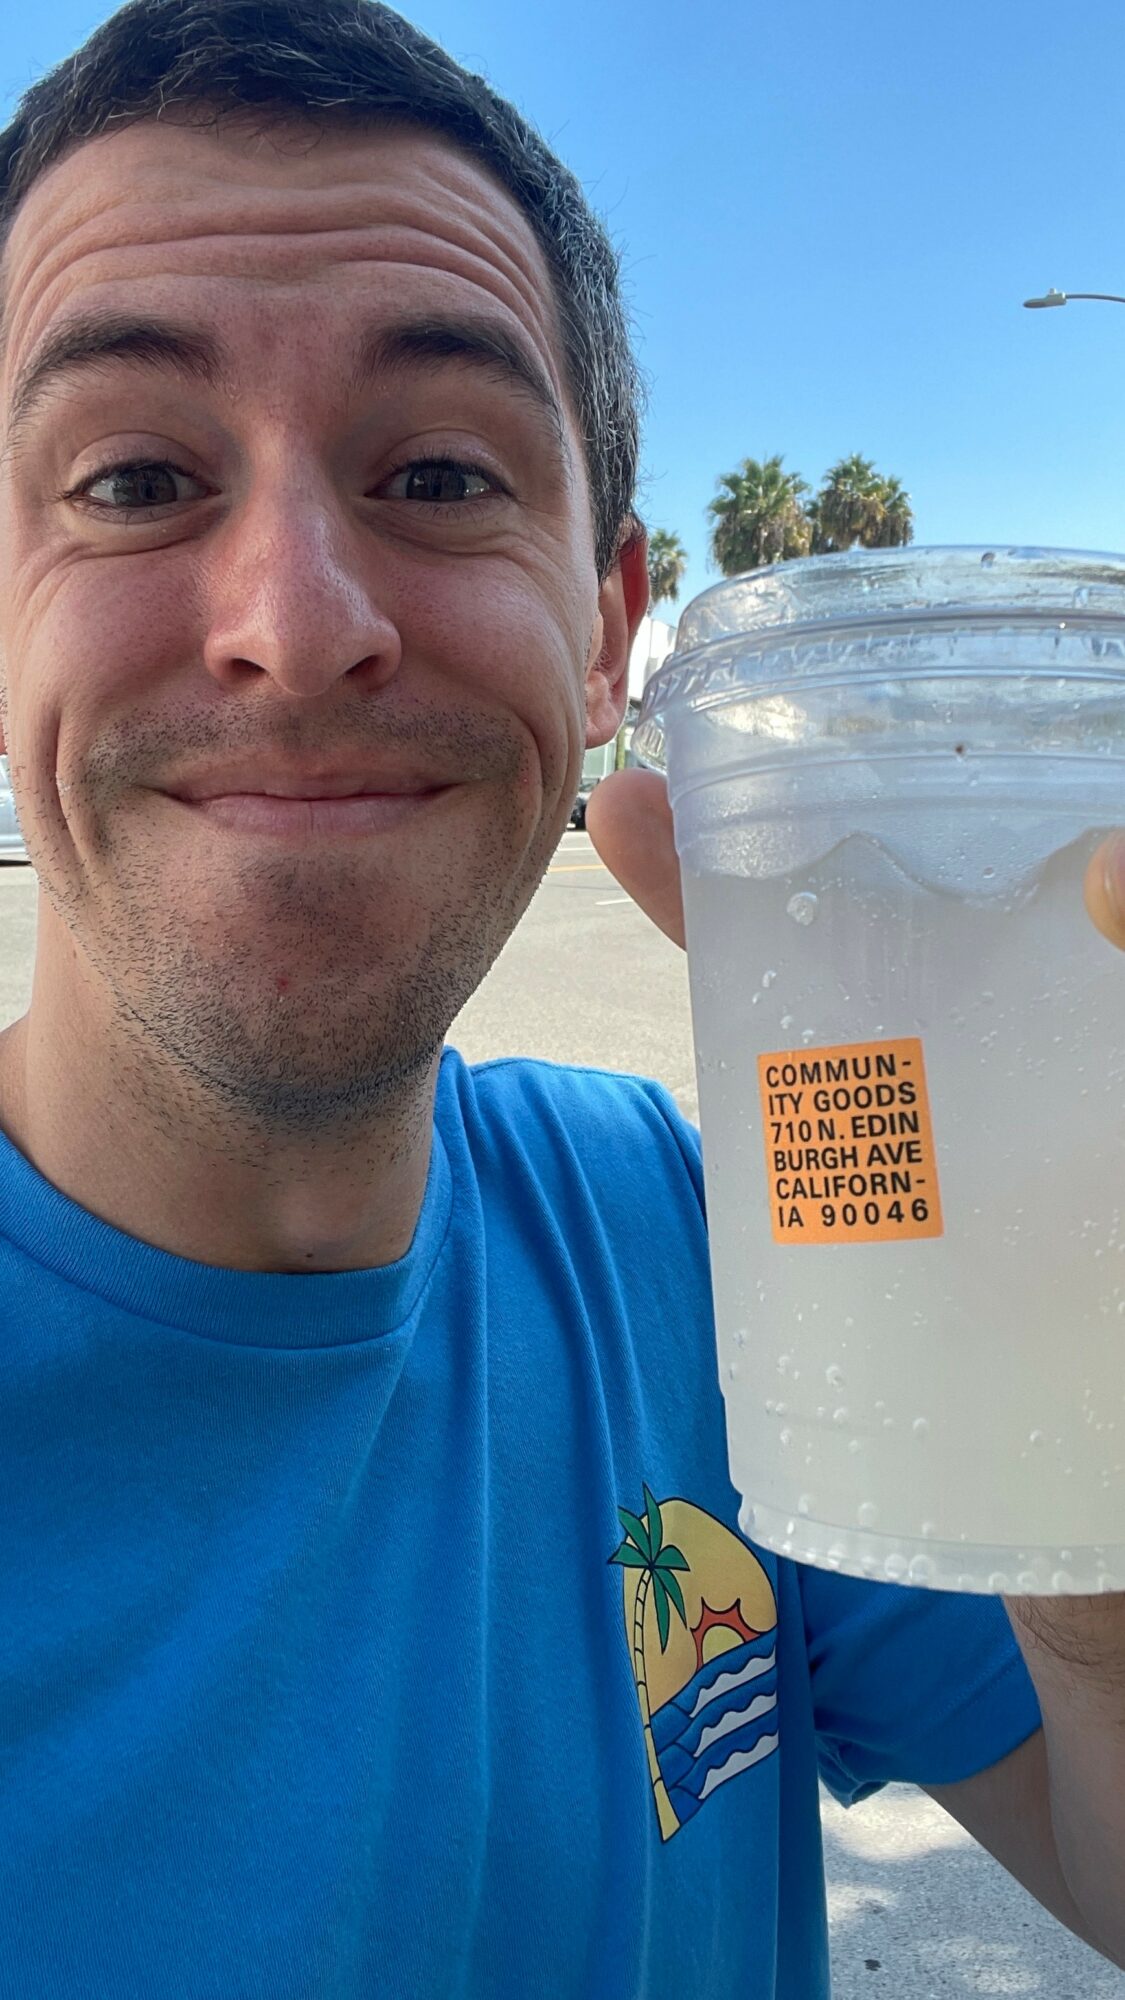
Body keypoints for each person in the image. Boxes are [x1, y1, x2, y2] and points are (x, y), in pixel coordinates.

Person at [0, 2, 1122, 1992]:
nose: (295, 624)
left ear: (610, 636)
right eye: (135, 474)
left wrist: (1082, 1519)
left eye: (439, 471)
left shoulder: (707, 1239)